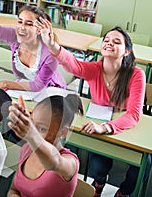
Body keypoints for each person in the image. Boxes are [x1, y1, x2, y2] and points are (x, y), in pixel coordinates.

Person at [36, 18, 150, 197]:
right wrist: (52, 44)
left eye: (116, 41)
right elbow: (73, 64)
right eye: (106, 40)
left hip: (124, 127)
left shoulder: (136, 74)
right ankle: (98, 185)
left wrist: (105, 127)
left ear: (126, 51)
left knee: (141, 166)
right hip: (100, 121)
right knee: (98, 162)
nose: (109, 43)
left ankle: (124, 192)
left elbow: (134, 115)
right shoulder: (95, 69)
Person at [7, 94, 83, 197]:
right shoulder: (27, 149)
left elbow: (53, 163)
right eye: (32, 124)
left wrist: (32, 135)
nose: (33, 131)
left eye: (42, 129)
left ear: (63, 132)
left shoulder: (70, 162)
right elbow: (13, 190)